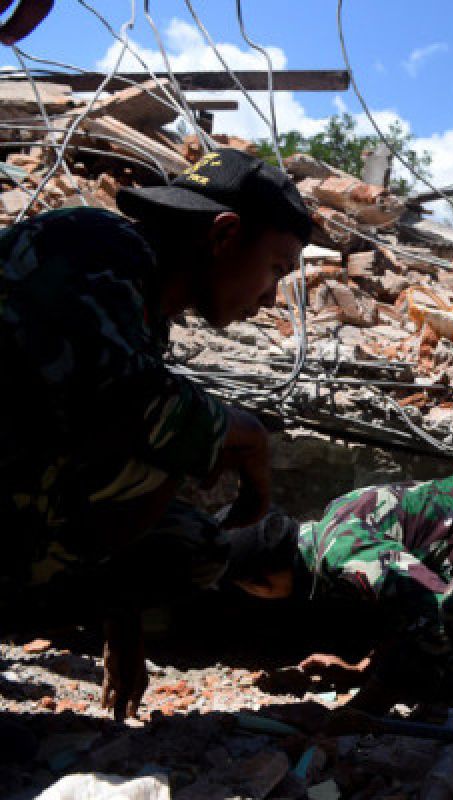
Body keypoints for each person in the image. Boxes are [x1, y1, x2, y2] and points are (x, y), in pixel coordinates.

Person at [0, 148, 311, 726]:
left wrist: (123, 629)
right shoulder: (93, 247)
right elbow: (109, 403)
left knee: (191, 544)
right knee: (166, 458)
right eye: (275, 270)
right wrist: (242, 434)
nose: (270, 298)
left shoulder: (142, 300)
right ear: (223, 235)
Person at [222, 469, 453, 713]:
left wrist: (365, 707)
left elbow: (430, 609)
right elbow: (405, 612)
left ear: (261, 583)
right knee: (439, 673)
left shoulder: (341, 550)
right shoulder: (327, 542)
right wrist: (366, 671)